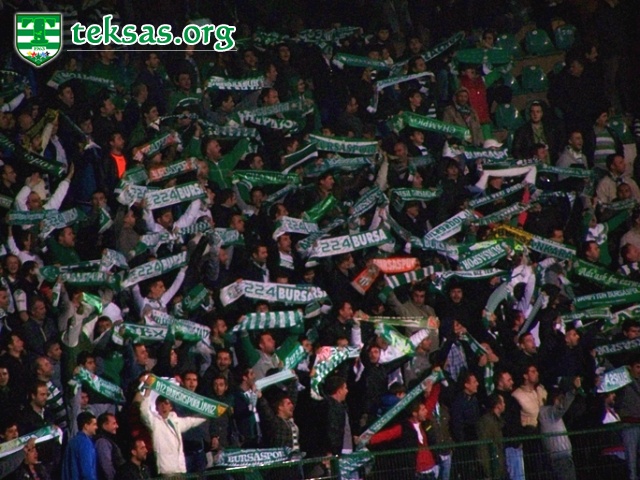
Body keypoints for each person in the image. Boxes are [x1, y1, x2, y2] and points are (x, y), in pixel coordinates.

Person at [139, 384, 207, 476]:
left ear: (171, 407)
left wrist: (209, 414)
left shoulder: (176, 421)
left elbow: (191, 421)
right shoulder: (154, 422)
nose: (163, 406)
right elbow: (144, 411)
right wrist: (148, 391)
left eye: (166, 403)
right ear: (157, 408)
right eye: (161, 404)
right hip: (166, 471)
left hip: (180, 469)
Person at [538, 378, 581, 480]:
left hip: (561, 457)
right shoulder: (548, 413)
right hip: (561, 458)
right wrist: (573, 391)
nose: (562, 401)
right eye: (560, 398)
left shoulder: (549, 414)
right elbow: (563, 407)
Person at [476, 393, 507, 480]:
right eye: (503, 402)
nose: (504, 404)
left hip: (498, 464)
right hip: (492, 466)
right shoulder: (486, 422)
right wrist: (487, 471)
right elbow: (483, 447)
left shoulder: (499, 421)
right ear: (497, 405)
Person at [62, 411, 98, 480]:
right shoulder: (85, 443)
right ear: (86, 426)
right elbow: (87, 472)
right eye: (94, 424)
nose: (96, 427)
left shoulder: (71, 442)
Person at [95, 413, 125, 480]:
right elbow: (106, 466)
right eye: (114, 423)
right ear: (104, 425)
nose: (117, 426)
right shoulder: (102, 442)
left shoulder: (109, 440)